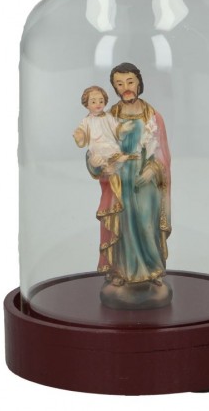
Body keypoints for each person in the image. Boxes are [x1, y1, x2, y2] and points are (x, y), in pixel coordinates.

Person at [87, 64, 172, 299]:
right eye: (120, 83)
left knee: (146, 224)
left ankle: (152, 269)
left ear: (139, 83)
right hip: (120, 182)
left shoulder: (153, 116)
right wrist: (95, 161)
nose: (126, 87)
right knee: (124, 227)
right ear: (114, 87)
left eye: (130, 82)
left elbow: (163, 153)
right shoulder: (109, 117)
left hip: (146, 182)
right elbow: (97, 148)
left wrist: (153, 169)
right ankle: (122, 271)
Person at [73, 86, 129, 168]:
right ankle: (104, 163)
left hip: (109, 141)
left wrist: (122, 128)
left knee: (113, 147)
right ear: (87, 105)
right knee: (99, 152)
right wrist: (80, 135)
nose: (98, 104)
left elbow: (115, 126)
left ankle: (114, 159)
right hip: (96, 145)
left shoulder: (108, 116)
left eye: (101, 101)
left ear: (105, 102)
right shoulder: (87, 120)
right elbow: (82, 130)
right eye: (93, 102)